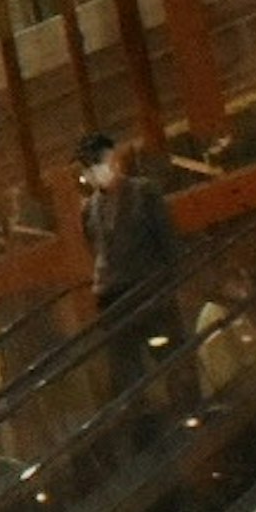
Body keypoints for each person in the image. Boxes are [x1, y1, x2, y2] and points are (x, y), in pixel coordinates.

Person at [81, 131, 185, 407]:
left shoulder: (144, 193)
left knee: (172, 359)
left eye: (97, 162)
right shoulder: (90, 209)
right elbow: (96, 248)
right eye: (89, 167)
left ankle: (185, 406)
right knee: (127, 370)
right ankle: (143, 420)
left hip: (150, 289)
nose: (95, 171)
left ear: (114, 160)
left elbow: (167, 241)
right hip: (114, 297)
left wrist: (168, 283)